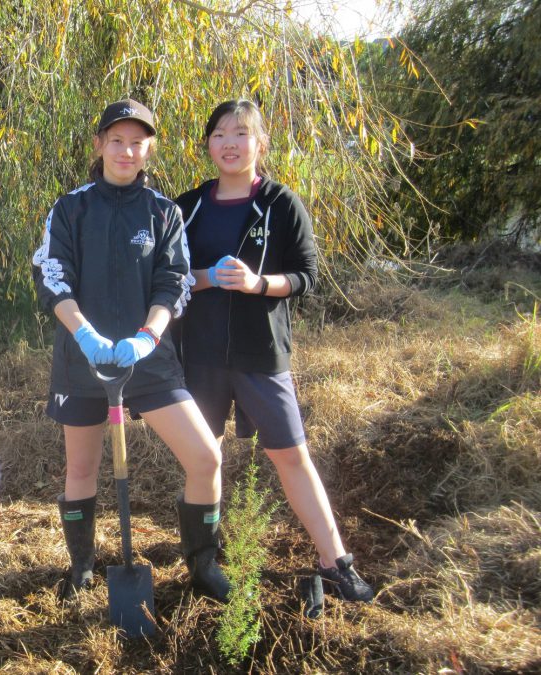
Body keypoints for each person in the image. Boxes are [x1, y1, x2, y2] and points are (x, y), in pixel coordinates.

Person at [172, 99, 374, 603]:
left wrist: (260, 284)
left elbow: (306, 275)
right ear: (208, 145)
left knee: (291, 455)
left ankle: (335, 563)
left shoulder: (282, 203)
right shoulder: (188, 206)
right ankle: (205, 564)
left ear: (260, 144)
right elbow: (166, 279)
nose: (230, 143)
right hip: (199, 356)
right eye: (219, 134)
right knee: (204, 457)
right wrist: (204, 279)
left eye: (241, 133)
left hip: (262, 354)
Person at [32, 98, 230, 601]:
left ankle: (202, 566)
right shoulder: (70, 208)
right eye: (116, 140)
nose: (126, 150)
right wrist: (86, 336)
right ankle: (81, 566)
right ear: (99, 145)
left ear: (149, 149)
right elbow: (52, 277)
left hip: (148, 361)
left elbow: (175, 282)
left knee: (205, 458)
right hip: (83, 361)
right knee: (80, 469)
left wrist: (147, 336)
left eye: (137, 141)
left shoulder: (164, 213)